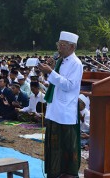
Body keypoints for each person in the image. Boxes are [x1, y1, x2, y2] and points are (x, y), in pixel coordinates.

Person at [38, 31, 83, 178]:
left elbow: (69, 85)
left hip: (66, 112)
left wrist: (51, 72)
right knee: (54, 146)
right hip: (55, 110)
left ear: (72, 47)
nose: (59, 48)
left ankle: (68, 173)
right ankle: (54, 172)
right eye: (59, 45)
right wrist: (49, 71)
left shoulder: (76, 64)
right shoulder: (60, 61)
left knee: (67, 146)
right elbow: (54, 82)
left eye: (62, 45)